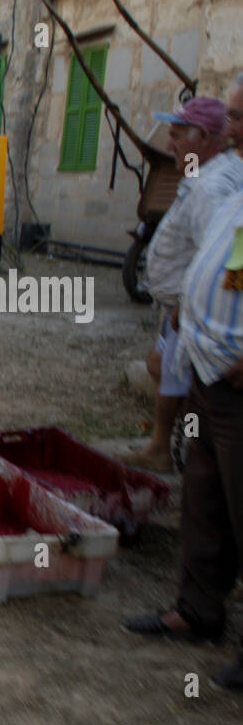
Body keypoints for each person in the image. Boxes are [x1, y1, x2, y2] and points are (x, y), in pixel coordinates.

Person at [122, 178, 243, 691]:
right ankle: (196, 610)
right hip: (209, 375)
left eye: (237, 117)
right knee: (204, 498)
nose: (235, 130)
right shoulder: (235, 193)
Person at [119, 96, 242, 471]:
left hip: (193, 313)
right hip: (182, 307)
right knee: (166, 372)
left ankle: (173, 448)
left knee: (174, 374)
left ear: (202, 138)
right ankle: (179, 446)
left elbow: (222, 256)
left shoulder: (212, 188)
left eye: (176, 135)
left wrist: (186, 305)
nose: (169, 144)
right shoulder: (200, 177)